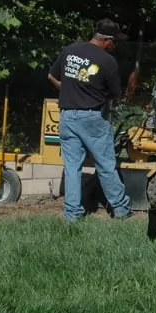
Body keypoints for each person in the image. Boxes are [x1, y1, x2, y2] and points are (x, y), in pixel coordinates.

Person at [48, 18, 132, 222]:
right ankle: (120, 210)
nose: (116, 46)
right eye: (115, 42)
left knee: (72, 168)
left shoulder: (69, 50)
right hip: (92, 117)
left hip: (67, 116)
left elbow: (51, 76)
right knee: (105, 164)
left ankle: (72, 215)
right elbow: (115, 94)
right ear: (108, 40)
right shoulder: (107, 61)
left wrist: (67, 90)